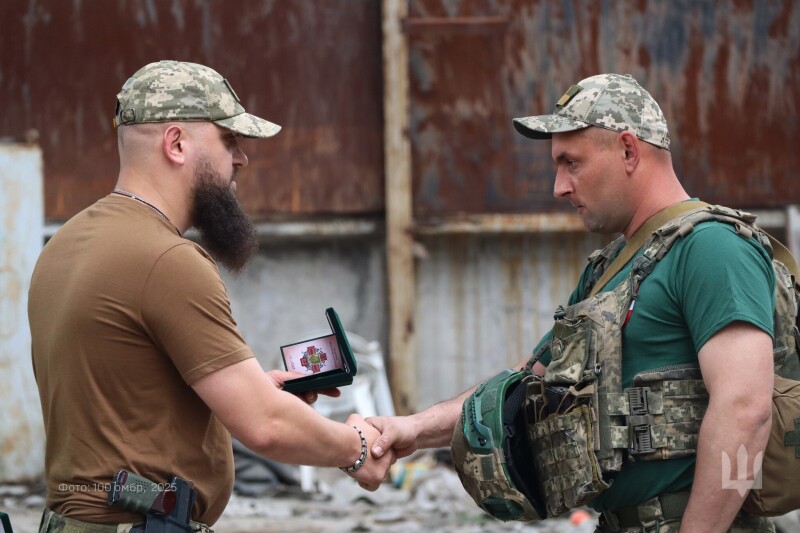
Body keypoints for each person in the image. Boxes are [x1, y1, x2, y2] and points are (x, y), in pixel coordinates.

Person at [367, 73, 776, 532]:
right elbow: (526, 386)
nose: (559, 187)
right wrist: (412, 429)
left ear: (628, 151)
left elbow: (746, 410)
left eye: (571, 163)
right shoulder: (612, 267)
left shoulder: (714, 249)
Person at [28, 60, 394, 532]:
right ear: (176, 144)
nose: (241, 158)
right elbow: (265, 425)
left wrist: (243, 391)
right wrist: (357, 448)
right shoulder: (168, 260)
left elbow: (121, 400)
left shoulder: (64, 245)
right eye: (228, 140)